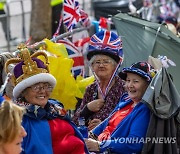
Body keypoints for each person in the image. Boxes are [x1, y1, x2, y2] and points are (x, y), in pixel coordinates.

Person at [5, 47, 89, 154]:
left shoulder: (56, 109)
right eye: (36, 87)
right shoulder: (20, 120)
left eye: (46, 86)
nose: (42, 91)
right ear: (23, 92)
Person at [85, 61, 156, 153]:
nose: (130, 85)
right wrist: (90, 134)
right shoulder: (126, 100)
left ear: (148, 86)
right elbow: (107, 122)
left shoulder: (144, 109)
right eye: (128, 80)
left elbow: (134, 144)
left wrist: (99, 145)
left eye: (135, 81)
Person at [72, 29, 125, 130]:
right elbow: (74, 122)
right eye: (97, 62)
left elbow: (126, 120)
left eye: (106, 62)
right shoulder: (90, 89)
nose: (101, 65)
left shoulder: (123, 88)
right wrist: (87, 109)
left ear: (115, 66)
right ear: (92, 66)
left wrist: (104, 126)